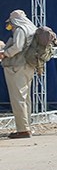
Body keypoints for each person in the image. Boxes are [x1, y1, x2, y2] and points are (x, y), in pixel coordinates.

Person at [0, 10, 37, 139]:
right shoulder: (32, 28)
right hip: (28, 66)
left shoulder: (20, 29)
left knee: (18, 98)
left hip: (17, 67)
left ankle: (23, 130)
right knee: (26, 98)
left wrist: (5, 53)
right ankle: (27, 127)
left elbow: (17, 47)